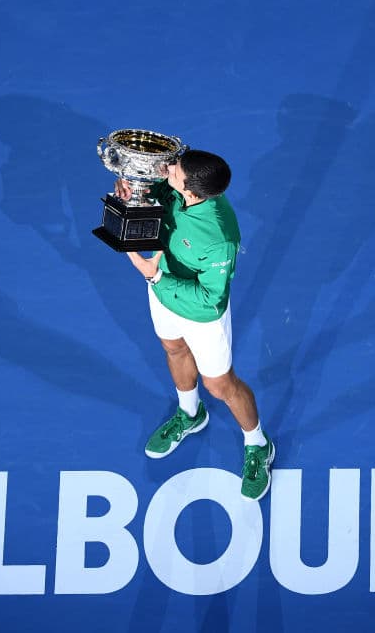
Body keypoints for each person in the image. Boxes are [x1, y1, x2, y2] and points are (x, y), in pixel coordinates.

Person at [116, 149, 274, 501]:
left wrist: (155, 276)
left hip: (201, 313)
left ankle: (258, 443)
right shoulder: (181, 187)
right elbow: (156, 194)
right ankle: (190, 413)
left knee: (220, 385)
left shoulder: (219, 236)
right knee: (173, 347)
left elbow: (211, 300)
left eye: (174, 170)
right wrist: (131, 197)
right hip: (163, 289)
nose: (167, 169)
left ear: (192, 191)